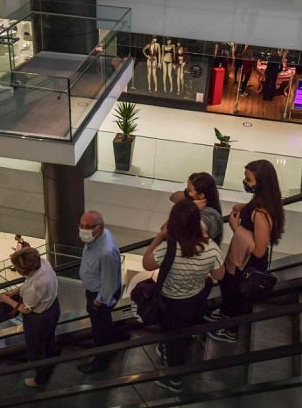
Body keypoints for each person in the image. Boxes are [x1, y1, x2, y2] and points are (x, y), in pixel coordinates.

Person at [143, 200, 226, 393]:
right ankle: (183, 351)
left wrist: (160, 236)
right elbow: (219, 276)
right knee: (184, 333)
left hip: (170, 303)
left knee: (172, 340)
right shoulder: (211, 248)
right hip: (195, 300)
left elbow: (147, 263)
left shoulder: (168, 248)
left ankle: (175, 380)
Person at [207, 159, 285, 343]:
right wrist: (244, 208)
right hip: (239, 259)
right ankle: (225, 314)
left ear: (261, 183)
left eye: (248, 179)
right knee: (227, 285)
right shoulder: (262, 203)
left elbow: (258, 250)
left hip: (248, 263)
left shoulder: (261, 214)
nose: (245, 182)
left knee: (237, 294)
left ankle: (231, 330)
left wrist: (236, 228)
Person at [0, 247, 60, 387]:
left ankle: (41, 378)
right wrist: (17, 290)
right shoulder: (44, 263)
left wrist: (5, 299)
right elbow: (29, 281)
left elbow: (26, 309)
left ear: (24, 269)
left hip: (38, 319)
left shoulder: (35, 286)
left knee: (36, 349)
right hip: (53, 307)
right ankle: (51, 360)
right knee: (49, 339)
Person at [76, 210, 123, 374]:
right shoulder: (98, 237)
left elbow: (110, 282)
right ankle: (112, 344)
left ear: (100, 228)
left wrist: (100, 300)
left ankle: (101, 361)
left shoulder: (106, 252)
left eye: (89, 226)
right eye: (81, 226)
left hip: (100, 295)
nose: (84, 230)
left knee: (99, 328)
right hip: (96, 290)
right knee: (104, 323)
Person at [170, 172, 224, 245]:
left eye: (189, 190)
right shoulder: (190, 201)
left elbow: (198, 227)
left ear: (201, 196)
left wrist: (190, 209)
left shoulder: (211, 215)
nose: (187, 192)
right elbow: (173, 197)